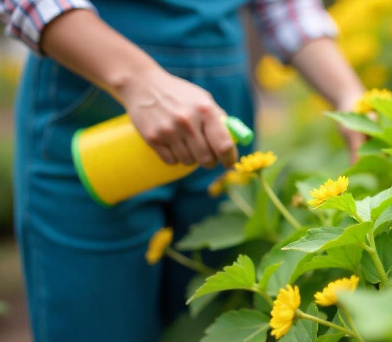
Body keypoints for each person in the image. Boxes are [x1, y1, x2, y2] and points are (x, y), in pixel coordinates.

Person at [1, 0, 366, 341]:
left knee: (210, 319)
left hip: (220, 108)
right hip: (93, 98)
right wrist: (138, 79)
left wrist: (349, 95)